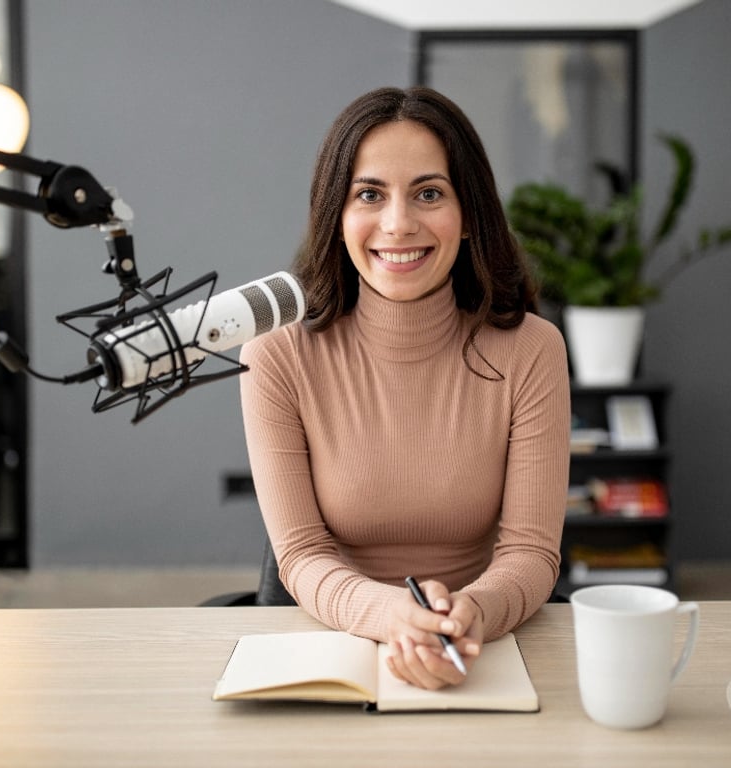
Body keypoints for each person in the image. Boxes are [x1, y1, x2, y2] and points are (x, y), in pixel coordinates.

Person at [240, 86, 570, 691]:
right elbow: (302, 554)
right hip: (334, 646)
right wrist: (393, 617)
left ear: (468, 215)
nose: (398, 224)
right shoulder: (276, 355)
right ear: (336, 216)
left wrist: (469, 614)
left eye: (429, 193)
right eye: (369, 194)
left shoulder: (532, 350)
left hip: (480, 643)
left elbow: (531, 552)